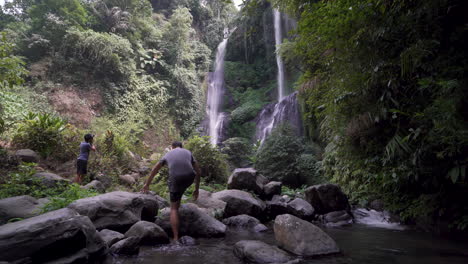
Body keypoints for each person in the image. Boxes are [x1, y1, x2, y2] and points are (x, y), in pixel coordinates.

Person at [141, 141, 201, 242]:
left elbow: (154, 170)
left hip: (176, 178)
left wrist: (147, 184)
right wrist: (196, 189)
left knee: (173, 209)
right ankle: (178, 203)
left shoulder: (168, 153)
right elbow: (198, 171)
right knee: (180, 188)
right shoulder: (188, 152)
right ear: (182, 147)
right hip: (190, 176)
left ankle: (176, 238)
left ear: (172, 147)